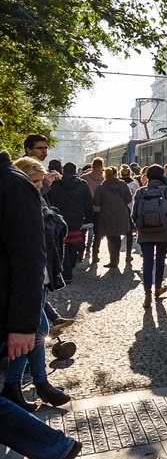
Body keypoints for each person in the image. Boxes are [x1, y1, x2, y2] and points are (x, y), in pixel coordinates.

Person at [0, 149, 83, 459]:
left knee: (42, 331)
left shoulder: (12, 184)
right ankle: (53, 447)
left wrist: (23, 325)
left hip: (12, 308)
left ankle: (52, 446)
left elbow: (30, 258)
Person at [3, 157, 72, 411]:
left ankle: (31, 384)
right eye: (35, 181)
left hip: (38, 277)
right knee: (35, 329)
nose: (39, 186)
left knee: (38, 328)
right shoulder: (19, 193)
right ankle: (25, 384)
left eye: (41, 181)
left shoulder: (34, 195)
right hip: (31, 279)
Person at [132, 166, 167, 308]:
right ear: (162, 176)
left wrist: (139, 226)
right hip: (162, 232)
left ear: (148, 176)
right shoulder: (165, 189)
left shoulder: (141, 191)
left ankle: (147, 294)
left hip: (145, 233)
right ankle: (158, 288)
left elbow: (133, 214)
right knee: (160, 262)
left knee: (147, 263)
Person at [46, 162, 93, 282]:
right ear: (75, 170)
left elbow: (50, 202)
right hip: (77, 219)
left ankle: (66, 273)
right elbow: (88, 203)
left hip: (60, 218)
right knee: (73, 244)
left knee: (63, 244)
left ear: (63, 171)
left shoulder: (55, 185)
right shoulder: (82, 184)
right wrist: (89, 218)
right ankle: (70, 266)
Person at [93, 167, 133, 270]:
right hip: (121, 213)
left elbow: (96, 202)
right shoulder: (123, 185)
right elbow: (129, 199)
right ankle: (116, 258)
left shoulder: (102, 187)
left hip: (107, 214)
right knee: (117, 236)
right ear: (116, 174)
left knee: (110, 237)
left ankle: (113, 260)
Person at [82, 158, 104, 264]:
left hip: (87, 208)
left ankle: (81, 251)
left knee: (83, 230)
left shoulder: (84, 178)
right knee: (98, 233)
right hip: (101, 209)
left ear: (92, 166)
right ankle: (95, 254)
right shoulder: (105, 178)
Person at [119, 165, 140, 265]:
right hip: (130, 210)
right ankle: (128, 254)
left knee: (117, 232)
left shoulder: (118, 184)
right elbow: (138, 197)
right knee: (129, 234)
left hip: (119, 210)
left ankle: (116, 255)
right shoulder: (134, 184)